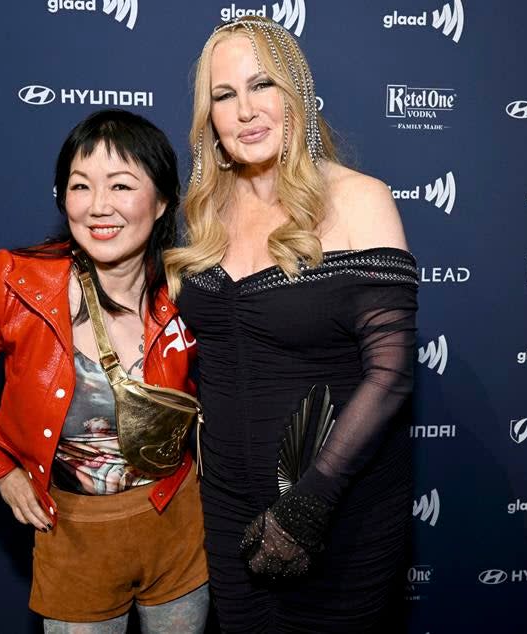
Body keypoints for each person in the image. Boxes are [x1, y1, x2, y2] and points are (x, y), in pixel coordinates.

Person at [164, 16, 419, 633]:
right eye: (224, 95)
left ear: (296, 93)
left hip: (339, 511)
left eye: (263, 85)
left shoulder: (359, 199)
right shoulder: (203, 215)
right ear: (209, 118)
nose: (246, 110)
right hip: (227, 509)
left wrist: (311, 501)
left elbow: (392, 373)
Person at [0, 109, 209, 633]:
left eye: (121, 185)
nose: (98, 206)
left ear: (163, 199)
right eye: (80, 186)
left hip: (178, 523)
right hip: (73, 535)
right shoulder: (16, 283)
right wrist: (1, 471)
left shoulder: (192, 288)